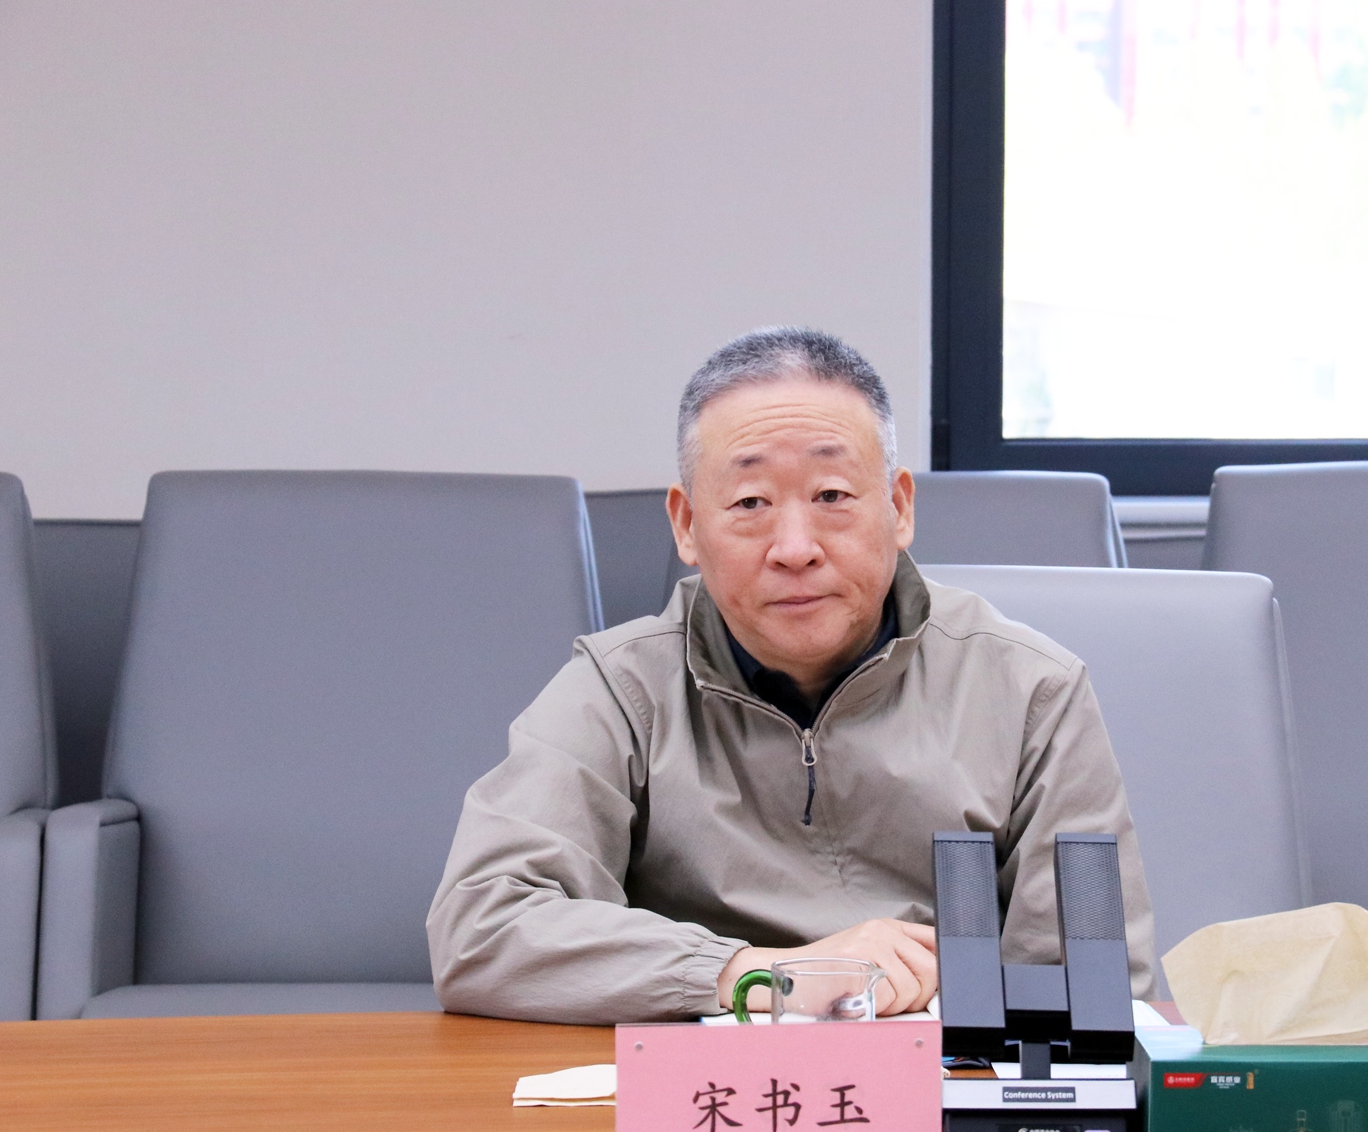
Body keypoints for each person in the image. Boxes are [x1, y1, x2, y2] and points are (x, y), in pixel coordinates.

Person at [427, 326, 1156, 1023]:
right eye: (750, 503)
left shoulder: (1031, 691)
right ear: (686, 525)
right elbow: (480, 927)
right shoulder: (621, 690)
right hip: (706, 1091)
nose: (795, 547)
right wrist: (760, 975)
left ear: (899, 507)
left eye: (832, 496)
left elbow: (1090, 985)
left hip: (939, 1086)